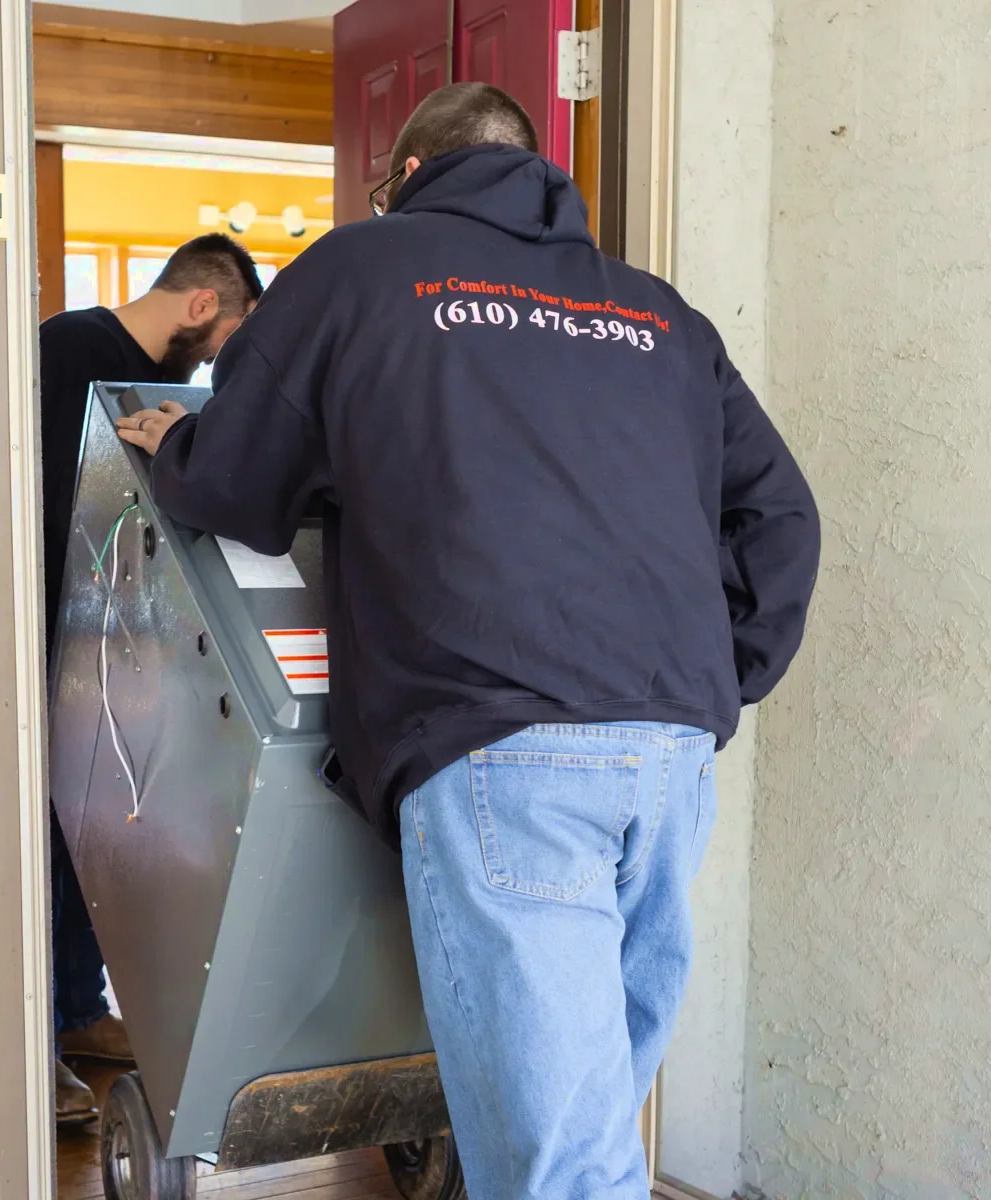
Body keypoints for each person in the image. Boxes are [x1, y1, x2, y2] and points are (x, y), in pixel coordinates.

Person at [116, 84, 819, 1197]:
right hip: (669, 753)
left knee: (561, 1166)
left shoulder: (363, 269)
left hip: (505, 745)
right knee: (591, 1125)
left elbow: (242, 478)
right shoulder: (657, 315)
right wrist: (718, 678)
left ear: (406, 176)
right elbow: (780, 516)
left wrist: (177, 451)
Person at [39, 232, 264, 1123]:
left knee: (95, 827)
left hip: (114, 643)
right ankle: (33, 1047)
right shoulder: (69, 350)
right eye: (224, 338)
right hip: (48, 635)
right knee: (41, 843)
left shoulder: (162, 393)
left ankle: (79, 1010)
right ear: (202, 305)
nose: (215, 363)